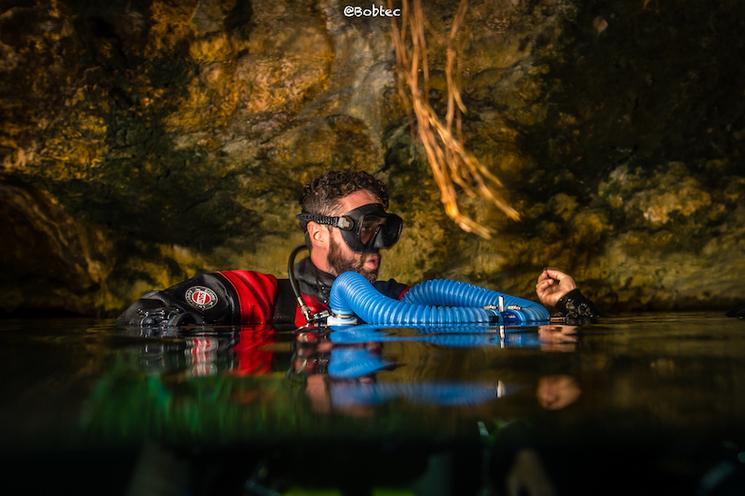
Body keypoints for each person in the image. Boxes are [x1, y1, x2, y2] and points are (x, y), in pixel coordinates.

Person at [117, 170, 598, 328]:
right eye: (365, 229)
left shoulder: (405, 301)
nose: (379, 246)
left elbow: (521, 320)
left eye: (386, 230)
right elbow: (144, 314)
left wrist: (565, 307)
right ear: (319, 233)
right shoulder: (259, 297)